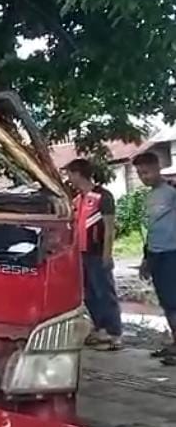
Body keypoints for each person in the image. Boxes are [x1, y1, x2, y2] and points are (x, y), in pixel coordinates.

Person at [64, 159, 123, 350]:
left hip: (97, 253)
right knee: (89, 293)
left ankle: (114, 333)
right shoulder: (77, 199)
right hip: (81, 253)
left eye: (70, 174)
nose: (69, 179)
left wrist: (107, 254)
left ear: (78, 173)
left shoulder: (103, 196)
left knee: (104, 292)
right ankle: (100, 329)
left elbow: (109, 228)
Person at [133, 152, 176, 364]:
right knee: (167, 303)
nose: (144, 177)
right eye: (140, 173)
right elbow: (151, 230)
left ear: (158, 168)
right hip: (156, 255)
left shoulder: (172, 192)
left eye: (147, 172)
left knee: (174, 302)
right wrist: (145, 259)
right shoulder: (149, 197)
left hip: (172, 254)